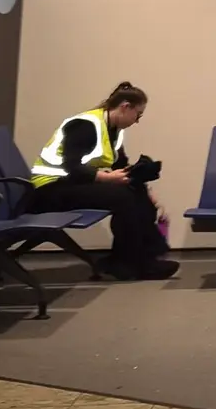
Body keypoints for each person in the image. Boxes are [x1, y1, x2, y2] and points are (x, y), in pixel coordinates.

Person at [28, 82, 177, 281]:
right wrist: (106, 178)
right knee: (123, 198)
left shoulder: (113, 130)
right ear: (125, 107)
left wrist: (145, 188)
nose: (137, 121)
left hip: (71, 185)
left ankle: (134, 259)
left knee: (136, 193)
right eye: (138, 115)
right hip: (50, 189)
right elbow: (70, 167)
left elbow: (121, 166)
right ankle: (131, 263)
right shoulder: (85, 125)